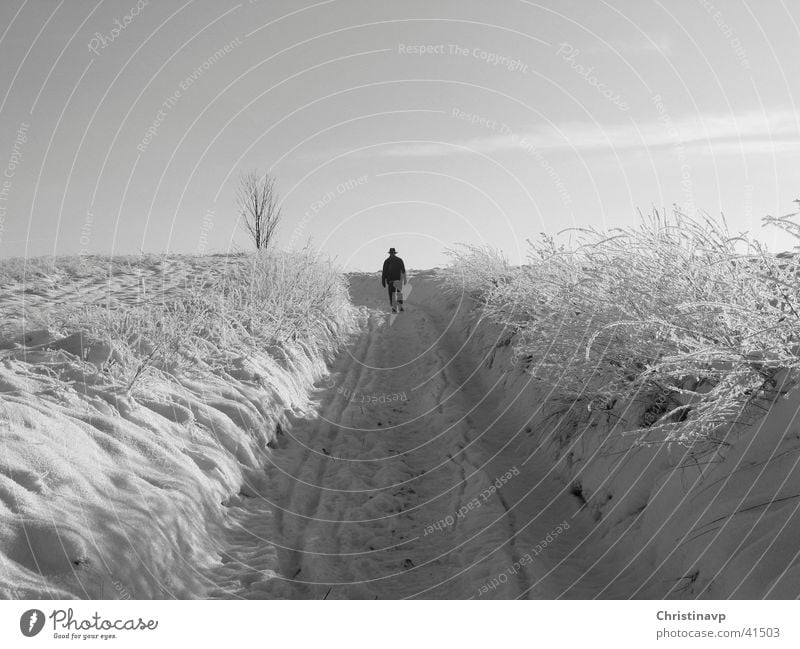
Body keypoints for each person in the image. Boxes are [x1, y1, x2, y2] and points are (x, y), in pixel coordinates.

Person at [381, 247, 406, 313]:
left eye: (392, 253)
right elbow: (384, 272)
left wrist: (405, 279)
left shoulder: (396, 260)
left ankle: (399, 307)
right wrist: (383, 280)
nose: (392, 254)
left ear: (393, 253)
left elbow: (403, 270)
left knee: (397, 294)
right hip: (392, 281)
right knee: (394, 294)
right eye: (391, 253)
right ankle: (395, 308)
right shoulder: (388, 261)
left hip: (396, 280)